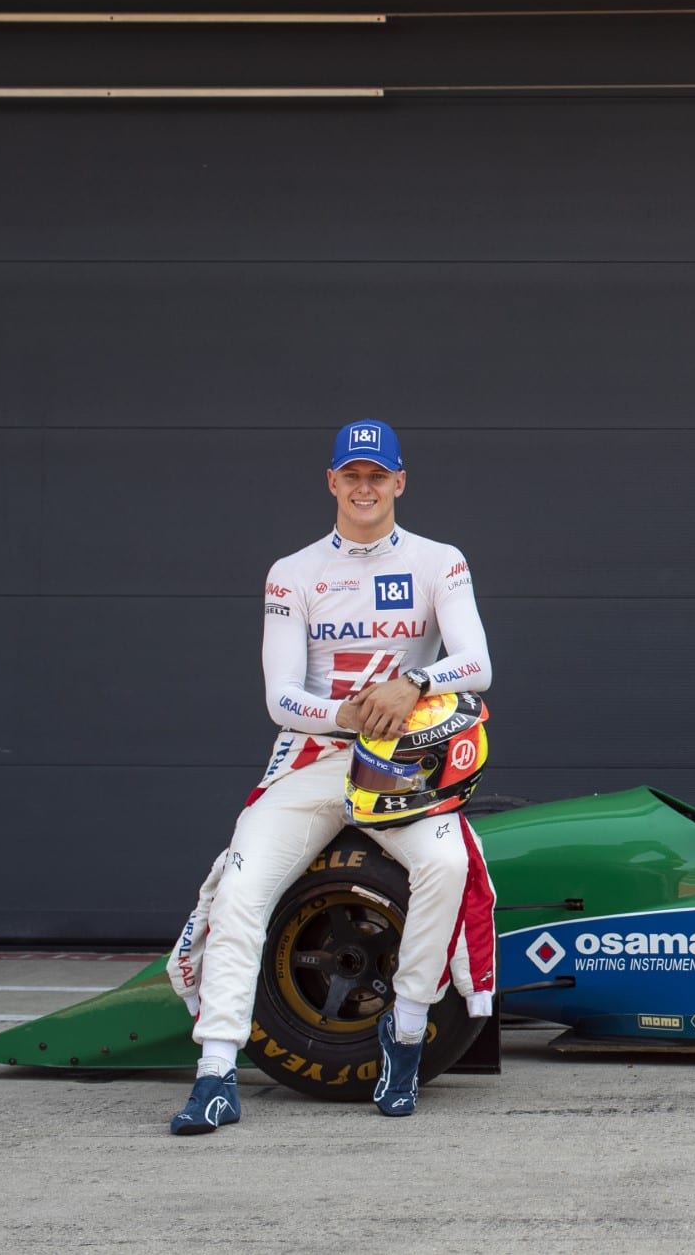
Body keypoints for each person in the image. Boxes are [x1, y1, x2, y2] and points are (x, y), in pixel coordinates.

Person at [168, 419, 497, 1134]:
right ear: (331, 482)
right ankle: (216, 1072)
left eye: (378, 475)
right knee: (242, 884)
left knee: (444, 865)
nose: (365, 487)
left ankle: (405, 1035)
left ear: (400, 482)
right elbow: (280, 697)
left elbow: (477, 663)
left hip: (404, 764)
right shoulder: (293, 570)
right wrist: (345, 713)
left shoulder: (441, 561)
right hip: (316, 755)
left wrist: (413, 680)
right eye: (352, 475)